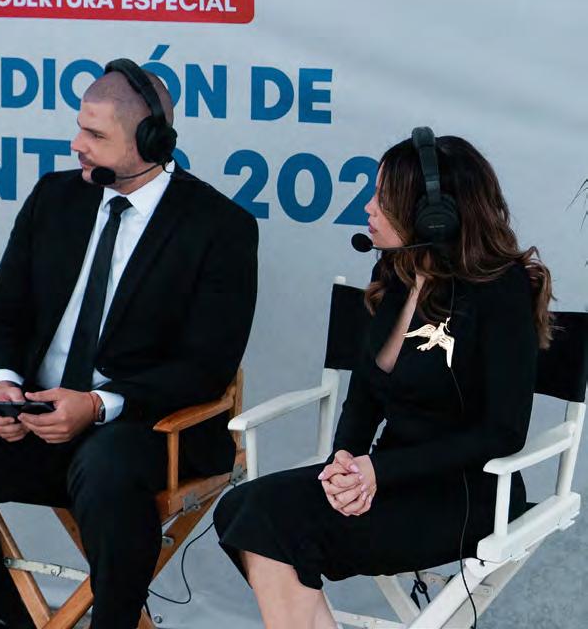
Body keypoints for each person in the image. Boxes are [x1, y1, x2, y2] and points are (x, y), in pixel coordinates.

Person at [0, 60, 258, 629]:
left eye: (94, 134)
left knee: (108, 468)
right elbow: (3, 313)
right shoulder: (54, 197)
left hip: (147, 429)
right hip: (34, 416)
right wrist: (1, 385)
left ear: (150, 141)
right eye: (79, 128)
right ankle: (6, 614)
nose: (77, 145)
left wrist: (95, 405)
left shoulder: (220, 226)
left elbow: (205, 367)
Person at [214, 129, 552, 628]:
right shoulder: (397, 271)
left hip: (464, 496)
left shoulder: (501, 292)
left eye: (382, 198)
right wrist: (343, 462)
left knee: (266, 523)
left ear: (434, 215)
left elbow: (504, 431)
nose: (367, 208)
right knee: (240, 509)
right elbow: (366, 395)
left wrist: (378, 472)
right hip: (384, 475)